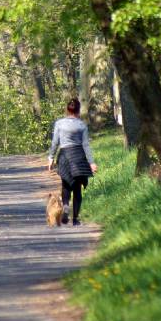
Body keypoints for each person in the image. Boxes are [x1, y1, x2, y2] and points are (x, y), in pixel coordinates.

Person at [47, 97, 97, 226]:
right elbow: (85, 145)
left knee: (65, 184)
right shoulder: (82, 125)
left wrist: (51, 158)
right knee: (77, 189)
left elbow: (55, 142)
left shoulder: (59, 123)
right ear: (78, 110)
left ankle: (65, 205)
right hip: (78, 157)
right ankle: (75, 219)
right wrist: (91, 162)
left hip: (64, 156)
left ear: (67, 110)